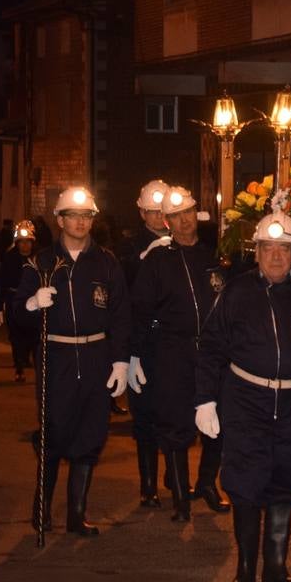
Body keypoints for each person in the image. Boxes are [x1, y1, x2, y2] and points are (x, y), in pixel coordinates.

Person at [195, 212, 291, 582]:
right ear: (257, 252)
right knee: (246, 483)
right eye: (269, 248)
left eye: (284, 249)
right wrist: (205, 400)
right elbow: (211, 346)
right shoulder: (236, 292)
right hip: (246, 400)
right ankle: (246, 568)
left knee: (286, 481)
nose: (277, 256)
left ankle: (275, 568)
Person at [11, 187, 131, 536]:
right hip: (57, 356)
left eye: (87, 216)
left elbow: (121, 315)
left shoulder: (107, 263)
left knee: (91, 433)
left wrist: (121, 361)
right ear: (60, 220)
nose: (81, 222)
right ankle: (42, 508)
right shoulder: (42, 263)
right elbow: (18, 314)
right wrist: (32, 304)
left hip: (95, 357)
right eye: (73, 216)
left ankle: (77, 513)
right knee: (54, 433)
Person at [130, 186, 229, 519]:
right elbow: (140, 309)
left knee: (217, 421)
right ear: (167, 222)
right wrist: (135, 354)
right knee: (176, 424)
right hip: (173, 352)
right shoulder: (158, 260)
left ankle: (207, 484)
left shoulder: (211, 256)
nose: (185, 221)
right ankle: (181, 499)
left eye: (188, 213)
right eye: (176, 216)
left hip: (212, 352)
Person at [119, 180, 171, 469]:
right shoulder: (128, 247)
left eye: (161, 211)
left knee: (175, 412)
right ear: (141, 213)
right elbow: (123, 298)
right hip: (142, 338)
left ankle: (175, 479)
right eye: (151, 211)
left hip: (174, 340)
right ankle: (148, 485)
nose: (157, 217)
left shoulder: (182, 242)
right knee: (145, 413)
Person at [0, 221, 39, 385]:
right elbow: (2, 282)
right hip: (14, 301)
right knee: (16, 336)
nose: (25, 245)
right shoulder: (10, 258)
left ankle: (39, 369)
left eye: (28, 242)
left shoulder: (39, 259)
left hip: (35, 301)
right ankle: (19, 368)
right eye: (21, 242)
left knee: (36, 336)